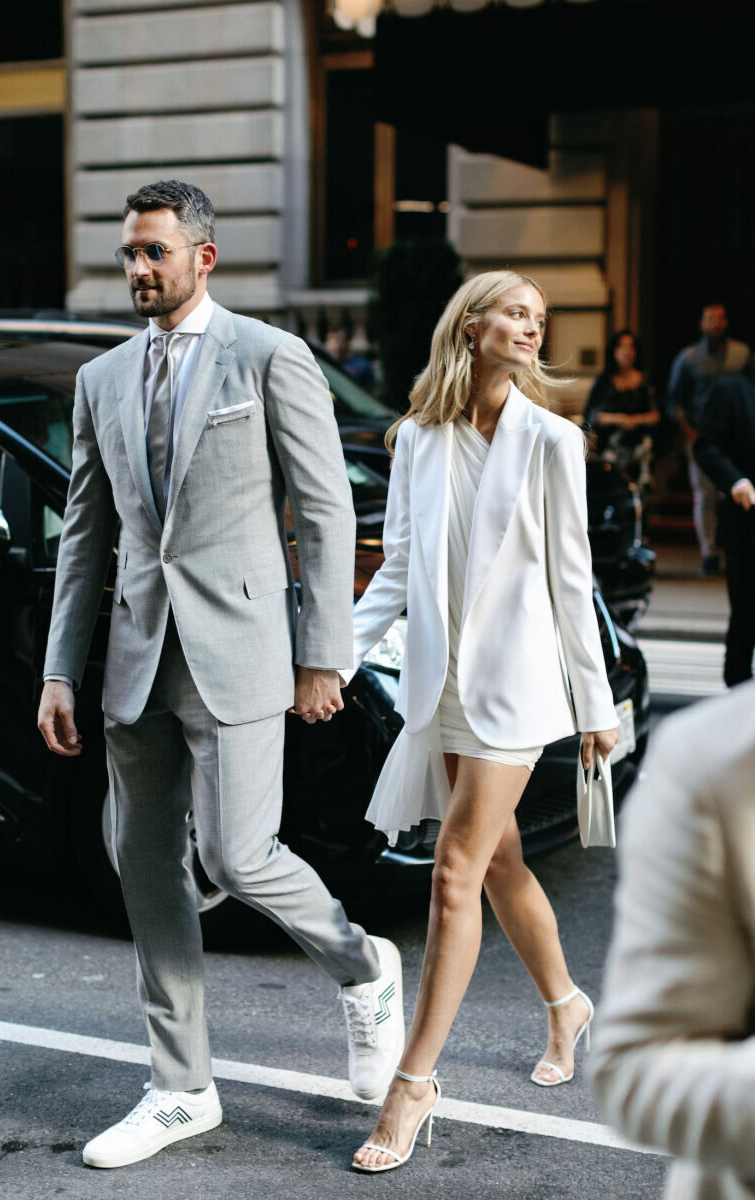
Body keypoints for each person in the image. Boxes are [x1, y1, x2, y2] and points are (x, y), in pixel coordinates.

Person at [36, 180, 404, 1169]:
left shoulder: (269, 357)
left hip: (242, 652)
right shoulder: (102, 379)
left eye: (154, 251)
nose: (137, 269)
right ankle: (180, 1086)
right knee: (144, 863)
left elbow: (325, 511)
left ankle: (365, 966)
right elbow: (85, 537)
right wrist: (60, 672)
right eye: (129, 253)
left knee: (243, 856)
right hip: (133, 658)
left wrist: (324, 653)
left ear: (204, 256)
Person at [342, 270, 619, 1173]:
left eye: (541, 318)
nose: (532, 326)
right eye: (515, 312)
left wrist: (593, 704)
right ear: (471, 324)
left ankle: (414, 1082)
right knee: (498, 861)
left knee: (454, 874)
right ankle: (568, 1003)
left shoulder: (552, 441)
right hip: (441, 684)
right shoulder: (417, 439)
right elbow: (399, 565)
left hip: (514, 693)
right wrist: (338, 654)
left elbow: (572, 582)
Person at [591, 682, 755, 1200]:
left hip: (524, 706)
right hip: (468, 694)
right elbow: (633, 1066)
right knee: (462, 871)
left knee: (467, 870)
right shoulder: (716, 760)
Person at [667, 304, 751, 575]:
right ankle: (709, 552)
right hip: (703, 435)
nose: (715, 323)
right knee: (705, 495)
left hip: (738, 439)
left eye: (720, 318)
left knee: (736, 489)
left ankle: (735, 549)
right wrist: (690, 433)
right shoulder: (689, 358)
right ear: (701, 324)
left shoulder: (742, 354)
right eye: (709, 319)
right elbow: (675, 399)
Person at [694, 363, 755, 686]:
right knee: (746, 617)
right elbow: (705, 446)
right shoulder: (732, 390)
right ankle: (738, 695)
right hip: (747, 525)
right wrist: (736, 481)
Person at [584, 329, 660, 490]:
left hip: (640, 448)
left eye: (631, 347)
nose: (627, 352)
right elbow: (592, 415)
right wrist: (620, 419)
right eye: (622, 347)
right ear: (614, 351)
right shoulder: (604, 382)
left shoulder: (644, 381)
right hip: (611, 447)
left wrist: (634, 420)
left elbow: (656, 415)